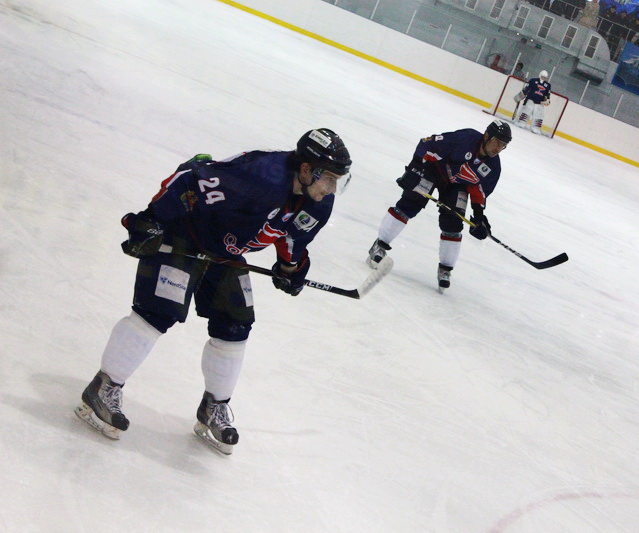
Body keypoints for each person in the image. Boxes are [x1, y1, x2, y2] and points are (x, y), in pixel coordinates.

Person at [74, 128, 353, 454]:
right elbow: (190, 179)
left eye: (337, 181)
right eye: (328, 178)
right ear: (306, 169)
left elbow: (293, 238)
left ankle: (214, 407)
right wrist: (151, 221)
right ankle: (104, 387)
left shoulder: (319, 201)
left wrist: (291, 270)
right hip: (185, 233)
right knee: (157, 313)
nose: (331, 188)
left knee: (236, 324)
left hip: (225, 251)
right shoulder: (260, 175)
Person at [366, 120, 512, 293]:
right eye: (497, 142)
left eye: (503, 145)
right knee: (411, 203)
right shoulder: (465, 139)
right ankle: (379, 245)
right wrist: (415, 169)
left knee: (453, 223)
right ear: (487, 136)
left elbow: (478, 191)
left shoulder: (493, 167)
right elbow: (427, 144)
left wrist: (479, 216)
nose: (498, 148)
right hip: (433, 170)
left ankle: (445, 270)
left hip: (456, 185)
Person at [516, 70, 553, 135]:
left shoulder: (548, 85)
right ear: (540, 75)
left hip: (540, 102)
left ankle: (536, 128)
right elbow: (526, 89)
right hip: (530, 100)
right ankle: (521, 122)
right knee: (527, 111)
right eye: (542, 76)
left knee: (539, 115)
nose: (543, 78)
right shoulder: (533, 80)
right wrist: (519, 97)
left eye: (544, 77)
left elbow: (548, 94)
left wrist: (548, 100)